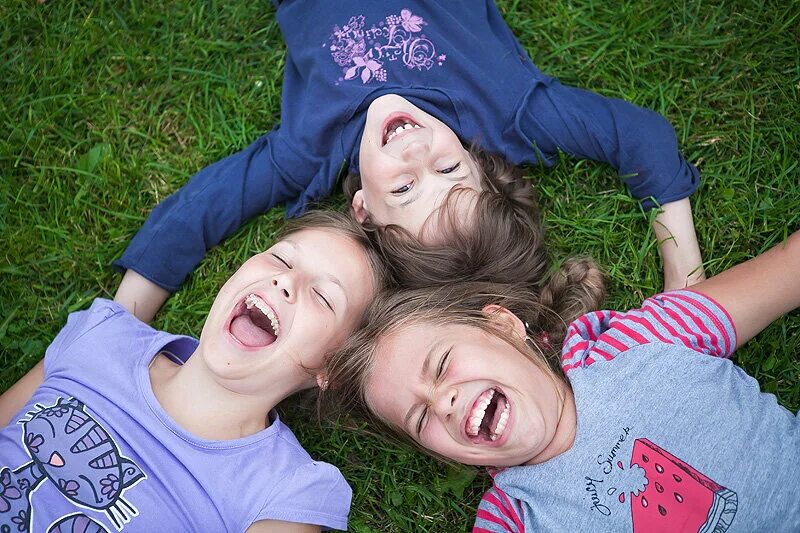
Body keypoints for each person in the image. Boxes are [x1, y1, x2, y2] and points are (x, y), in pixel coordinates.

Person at [114, 0, 705, 323]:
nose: (416, 151)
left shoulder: (306, 154)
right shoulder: (503, 108)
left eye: (403, 188)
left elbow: (204, 208)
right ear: (481, 162)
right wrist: (685, 281)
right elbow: (638, 137)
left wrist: (123, 317)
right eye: (450, 172)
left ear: (363, 209)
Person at [325, 231, 800, 531]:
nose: (444, 400)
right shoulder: (512, 518)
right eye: (421, 416)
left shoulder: (640, 340)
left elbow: (786, 271)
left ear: (504, 326)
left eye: (443, 363)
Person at [0, 212, 391, 532]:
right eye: (282, 258)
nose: (286, 280)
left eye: (324, 297)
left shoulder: (282, 493)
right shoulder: (103, 334)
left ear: (332, 369)